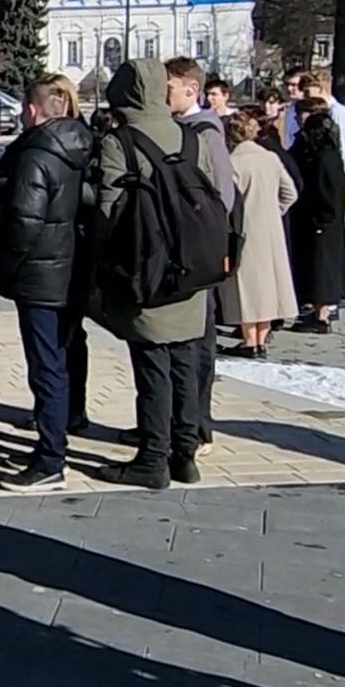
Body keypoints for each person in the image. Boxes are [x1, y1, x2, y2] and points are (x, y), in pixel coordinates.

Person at [91, 59, 218, 490]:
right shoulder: (191, 136)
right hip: (192, 267)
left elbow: (109, 213)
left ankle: (152, 458)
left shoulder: (119, 142)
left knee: (153, 366)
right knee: (186, 362)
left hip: (148, 269)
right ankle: (185, 454)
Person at [0, 74, 93, 492]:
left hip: (41, 272)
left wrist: (4, 268)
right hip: (72, 265)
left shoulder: (36, 154)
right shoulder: (82, 144)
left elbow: (25, 221)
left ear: (32, 109)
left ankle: (51, 459)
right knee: (62, 354)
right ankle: (58, 432)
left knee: (45, 364)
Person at [166, 56, 234, 454]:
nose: (163, 94)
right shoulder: (177, 128)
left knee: (198, 342)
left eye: (170, 87)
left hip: (198, 254)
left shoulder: (205, 132)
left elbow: (223, 195)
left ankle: (198, 425)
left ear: (191, 89)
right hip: (180, 252)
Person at [219, 110, 297, 358]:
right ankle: (261, 338)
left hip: (245, 228)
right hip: (271, 229)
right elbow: (290, 193)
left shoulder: (233, 163)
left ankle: (249, 340)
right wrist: (275, 212)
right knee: (266, 285)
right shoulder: (271, 158)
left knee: (246, 285)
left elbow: (227, 200)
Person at [289, 99, 345, 334]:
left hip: (321, 221)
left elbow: (328, 191)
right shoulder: (324, 154)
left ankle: (321, 314)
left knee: (321, 268)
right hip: (320, 220)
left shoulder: (325, 157)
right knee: (317, 266)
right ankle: (316, 310)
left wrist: (321, 217)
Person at [283, 69, 345, 170]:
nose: (306, 94)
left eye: (307, 90)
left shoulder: (337, 112)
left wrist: (334, 175)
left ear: (319, 88)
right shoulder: (292, 110)